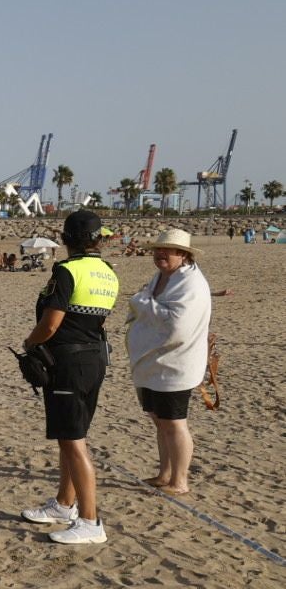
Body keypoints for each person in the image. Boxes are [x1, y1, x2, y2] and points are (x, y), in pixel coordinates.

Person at [20, 209, 120, 544]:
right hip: (94, 360)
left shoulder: (66, 271)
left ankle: (91, 521)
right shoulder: (108, 273)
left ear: (65, 239)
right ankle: (65, 504)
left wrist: (29, 343)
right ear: (99, 239)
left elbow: (51, 323)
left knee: (75, 443)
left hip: (69, 363)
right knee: (70, 435)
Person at [125, 229, 211, 495]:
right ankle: (164, 474)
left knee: (175, 422)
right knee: (158, 419)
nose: (161, 254)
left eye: (168, 250)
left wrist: (142, 303)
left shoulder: (192, 284)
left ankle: (180, 480)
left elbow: (177, 324)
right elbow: (153, 308)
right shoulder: (161, 277)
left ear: (183, 255)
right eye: (158, 250)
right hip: (153, 363)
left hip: (177, 364)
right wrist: (144, 303)